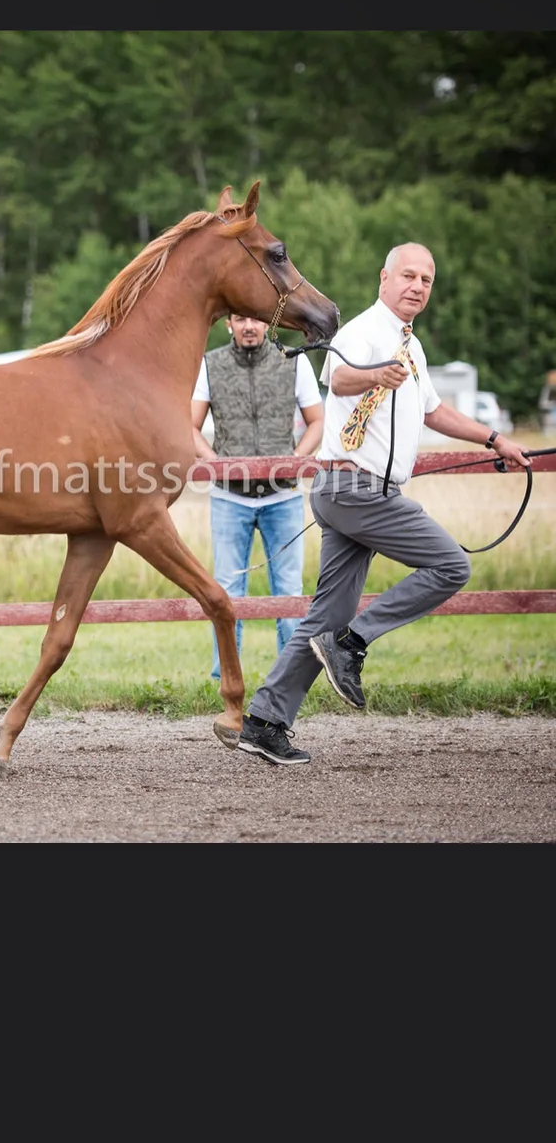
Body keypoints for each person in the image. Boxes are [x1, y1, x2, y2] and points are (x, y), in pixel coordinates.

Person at [236, 244, 531, 764]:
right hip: (355, 490)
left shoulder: (411, 347)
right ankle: (353, 644)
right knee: (450, 565)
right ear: (385, 278)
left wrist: (494, 438)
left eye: (427, 280)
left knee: (326, 617)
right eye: (409, 276)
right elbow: (339, 379)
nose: (418, 286)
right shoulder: (364, 332)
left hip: (361, 494)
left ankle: (263, 722)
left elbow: (435, 412)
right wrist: (375, 375)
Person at [191, 313, 324, 680]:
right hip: (229, 498)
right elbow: (190, 427)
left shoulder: (294, 361)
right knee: (227, 591)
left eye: (255, 319)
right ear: (228, 324)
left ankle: (290, 678)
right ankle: (225, 678)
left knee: (289, 592)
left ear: (268, 324)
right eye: (239, 319)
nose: (249, 325)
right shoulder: (209, 364)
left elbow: (317, 421)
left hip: (283, 498)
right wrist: (216, 464)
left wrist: (293, 463)